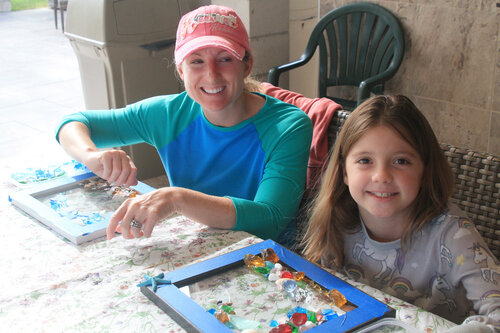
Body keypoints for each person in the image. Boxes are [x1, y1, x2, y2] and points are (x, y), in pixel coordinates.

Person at [55, 5, 313, 244]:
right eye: (196, 61)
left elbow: (271, 220)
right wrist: (91, 156)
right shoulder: (167, 114)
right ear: (181, 70)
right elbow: (72, 123)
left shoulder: (288, 126)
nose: (211, 74)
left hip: (267, 261)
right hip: (200, 248)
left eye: (225, 59)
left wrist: (177, 198)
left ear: (247, 65)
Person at [301, 95, 500, 332]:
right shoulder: (336, 217)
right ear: (344, 171)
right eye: (365, 160)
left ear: (424, 171)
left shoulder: (454, 234)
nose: (381, 175)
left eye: (401, 161)